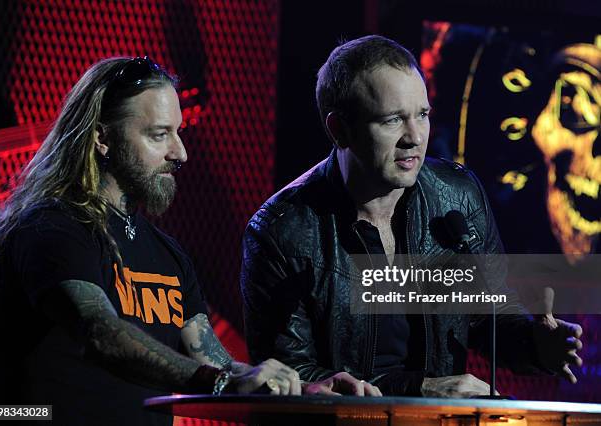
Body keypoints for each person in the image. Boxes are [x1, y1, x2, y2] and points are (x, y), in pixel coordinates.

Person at [0, 57, 376, 426]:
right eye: (160, 135)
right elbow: (99, 331)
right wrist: (221, 383)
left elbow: (218, 364)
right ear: (101, 137)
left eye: (178, 133)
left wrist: (304, 391)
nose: (181, 153)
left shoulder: (168, 255)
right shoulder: (52, 227)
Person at [240, 36, 584, 397]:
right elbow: (288, 375)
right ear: (339, 129)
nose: (415, 137)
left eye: (422, 115)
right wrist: (418, 389)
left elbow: (487, 316)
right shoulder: (283, 231)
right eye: (393, 120)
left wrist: (534, 344)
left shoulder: (457, 196)